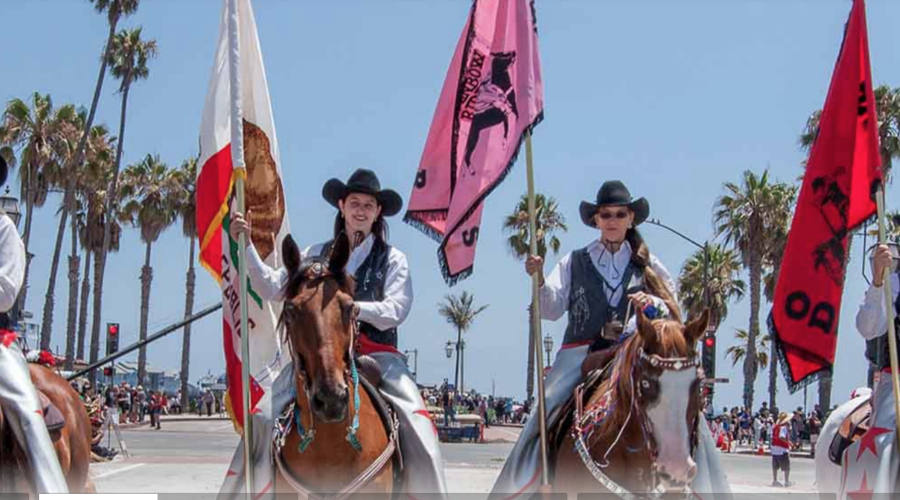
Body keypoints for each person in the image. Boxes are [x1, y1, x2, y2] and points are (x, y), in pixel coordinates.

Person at [491, 180, 729, 496]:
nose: (613, 221)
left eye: (619, 214)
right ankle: (526, 486)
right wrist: (538, 279)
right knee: (543, 411)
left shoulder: (650, 265)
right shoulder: (574, 261)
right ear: (596, 220)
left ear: (631, 218)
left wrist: (653, 305)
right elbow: (550, 309)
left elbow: (673, 315)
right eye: (606, 215)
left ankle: (701, 487)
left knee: (686, 408)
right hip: (579, 355)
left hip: (633, 354)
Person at [222, 168, 447, 497]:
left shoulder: (393, 259)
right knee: (261, 416)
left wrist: (350, 308)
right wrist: (245, 246)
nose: (360, 210)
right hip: (319, 355)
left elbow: (396, 310)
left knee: (419, 424)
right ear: (341, 206)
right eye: (354, 203)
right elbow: (271, 286)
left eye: (368, 205)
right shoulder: (315, 254)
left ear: (378, 212)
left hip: (378, 355)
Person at [0, 157, 68, 492]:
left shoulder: (4, 230)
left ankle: (50, 490)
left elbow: (6, 292)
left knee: (26, 408)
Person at [854, 242, 900, 493]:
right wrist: (877, 283)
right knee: (884, 443)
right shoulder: (893, 284)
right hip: (896, 384)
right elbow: (868, 328)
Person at [770, 412, 792, 487]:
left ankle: (775, 481)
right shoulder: (783, 428)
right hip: (782, 449)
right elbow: (781, 437)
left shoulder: (774, 427)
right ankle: (786, 481)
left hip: (774, 449)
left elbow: (772, 437)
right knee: (786, 467)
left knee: (775, 467)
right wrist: (788, 442)